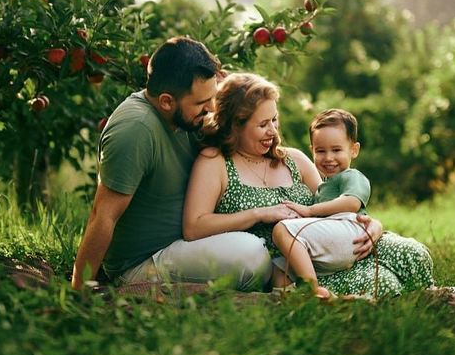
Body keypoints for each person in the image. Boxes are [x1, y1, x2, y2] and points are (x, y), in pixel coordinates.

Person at [183, 74, 434, 298]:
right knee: (384, 284)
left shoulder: (293, 159)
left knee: (414, 254)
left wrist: (374, 226)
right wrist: (258, 214)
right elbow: (193, 227)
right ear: (235, 125)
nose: (272, 131)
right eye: (262, 125)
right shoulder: (215, 162)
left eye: (275, 120)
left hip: (332, 246)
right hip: (294, 271)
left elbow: (332, 202)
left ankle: (437, 298)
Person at [71, 37, 275, 292]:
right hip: (143, 263)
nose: (210, 108)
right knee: (252, 256)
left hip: (192, 242)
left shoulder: (186, 114)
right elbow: (102, 216)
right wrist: (78, 290)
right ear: (167, 101)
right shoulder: (136, 130)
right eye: (202, 103)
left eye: (211, 97)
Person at [273, 108, 434, 298]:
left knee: (282, 231)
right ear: (312, 151)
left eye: (336, 150)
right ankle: (289, 296)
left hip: (349, 229)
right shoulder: (323, 186)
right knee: (278, 265)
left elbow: (351, 203)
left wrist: (309, 211)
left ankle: (311, 288)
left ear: (354, 150)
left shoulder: (352, 176)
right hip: (333, 241)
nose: (328, 158)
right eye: (320, 151)